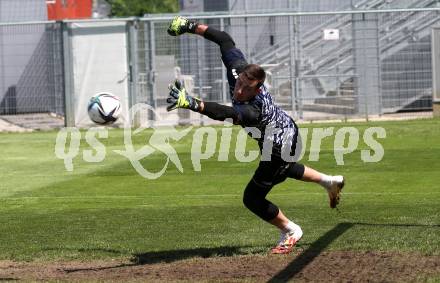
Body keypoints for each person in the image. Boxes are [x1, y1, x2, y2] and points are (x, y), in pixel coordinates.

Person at [166, 16, 345, 254]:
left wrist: (192, 103)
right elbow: (224, 39)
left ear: (258, 88)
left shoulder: (253, 109)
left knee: (252, 198)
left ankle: (291, 230)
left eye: (246, 88)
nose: (239, 90)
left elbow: (225, 113)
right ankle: (329, 181)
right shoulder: (240, 72)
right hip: (285, 130)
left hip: (279, 146)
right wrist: (190, 27)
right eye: (239, 83)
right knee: (286, 169)